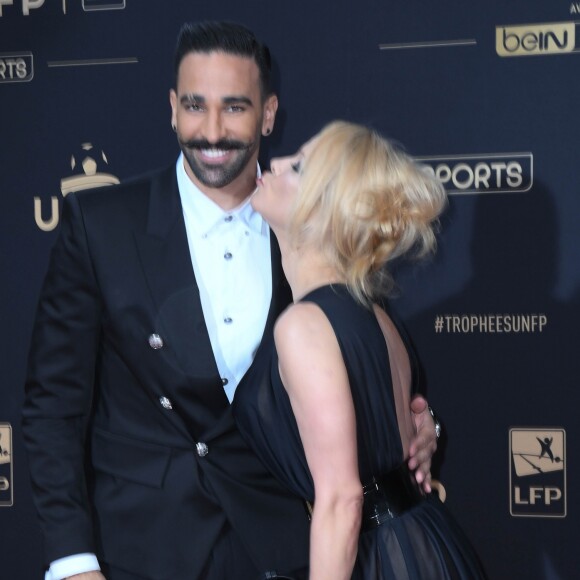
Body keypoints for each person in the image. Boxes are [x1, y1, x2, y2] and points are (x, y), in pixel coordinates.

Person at [22, 22, 438, 580]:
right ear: (172, 108)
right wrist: (72, 560)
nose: (211, 129)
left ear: (268, 114)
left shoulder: (310, 231)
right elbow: (54, 407)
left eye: (234, 107)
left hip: (287, 548)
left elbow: (380, 369)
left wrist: (418, 425)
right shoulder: (100, 226)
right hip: (140, 553)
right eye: (195, 105)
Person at [233, 121, 486, 579]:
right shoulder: (376, 315)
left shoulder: (305, 325)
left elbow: (343, 499)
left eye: (298, 167)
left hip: (377, 560)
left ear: (325, 210)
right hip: (420, 543)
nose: (273, 162)